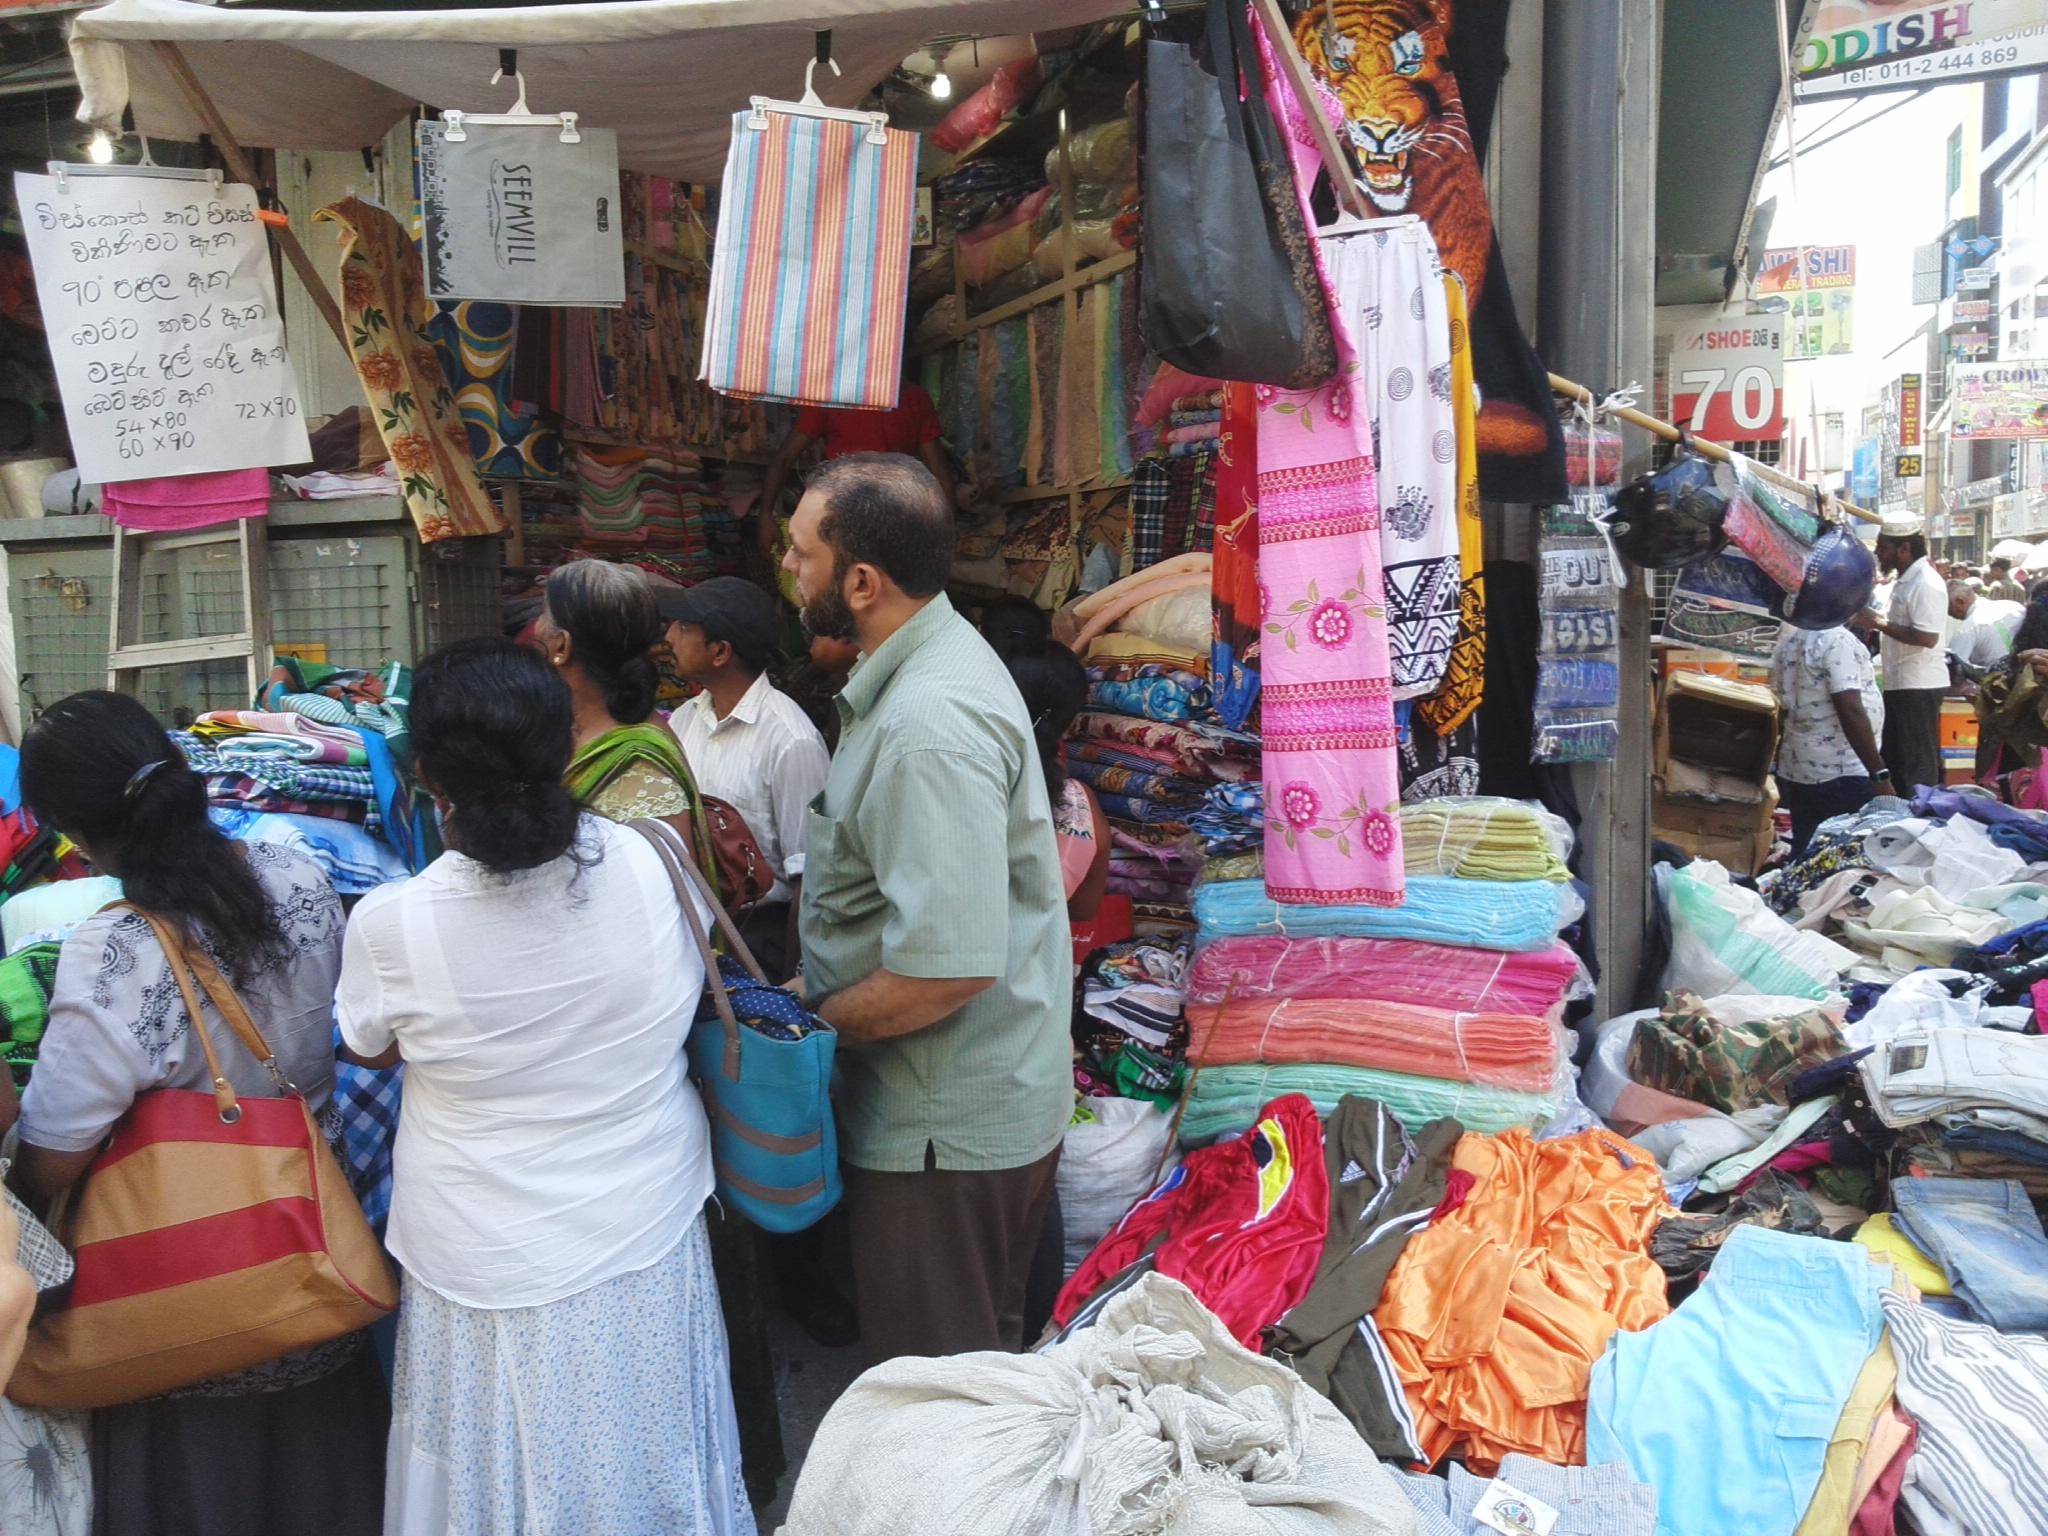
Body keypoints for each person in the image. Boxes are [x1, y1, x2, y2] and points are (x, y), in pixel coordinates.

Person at [335, 639, 755, 1536]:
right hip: (645, 1222)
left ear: (426, 780)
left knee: (497, 1467)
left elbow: (368, 1050)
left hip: (486, 1255)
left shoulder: (392, 925)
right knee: (651, 1451)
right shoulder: (654, 861)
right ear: (567, 745)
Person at [9, 691, 385, 1536]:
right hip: (309, 1255)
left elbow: (58, 1144)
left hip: (183, 1301)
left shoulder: (114, 951)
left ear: (70, 827)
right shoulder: (296, 875)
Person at [783, 453, 1070, 1364]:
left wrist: (814, 1022)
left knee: (940, 1407)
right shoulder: (926, 670)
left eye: (800, 555)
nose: (789, 570)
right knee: (984, 1378)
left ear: (860, 582)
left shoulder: (925, 725)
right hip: (968, 1107)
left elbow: (947, 967)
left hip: (941, 1131)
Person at [659, 576, 830, 984]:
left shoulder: (791, 740)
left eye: (684, 628)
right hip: (693, 926)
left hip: (758, 938)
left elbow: (810, 879)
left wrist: (789, 987)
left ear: (720, 652)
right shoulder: (683, 721)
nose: (668, 636)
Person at [539, 557, 710, 847]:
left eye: (543, 614)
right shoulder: (574, 731)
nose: (536, 627)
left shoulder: (639, 762)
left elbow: (666, 881)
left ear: (561, 646)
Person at [756, 379, 954, 563]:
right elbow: (939, 473)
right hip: (884, 516)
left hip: (853, 515)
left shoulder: (836, 394)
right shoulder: (913, 397)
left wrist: (766, 514)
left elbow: (784, 457)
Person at [1005, 644, 1110, 922]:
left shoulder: (973, 775)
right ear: (1071, 721)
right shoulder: (1080, 808)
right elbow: (1083, 910)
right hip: (1037, 960)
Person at [1768, 625, 1889, 856]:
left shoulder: (1791, 640)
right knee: (1849, 859)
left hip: (1801, 768)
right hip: (1843, 771)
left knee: (1809, 854)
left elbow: (1784, 710)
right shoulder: (1837, 640)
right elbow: (1850, 709)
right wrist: (1880, 775)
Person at [1853, 512, 1949, 795]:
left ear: (1904, 548)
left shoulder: (1926, 582)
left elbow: (1926, 637)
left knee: (1915, 768)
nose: (1879, 554)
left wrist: (1878, 622)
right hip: (1902, 684)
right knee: (1898, 761)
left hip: (1918, 686)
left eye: (1883, 548)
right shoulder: (1907, 580)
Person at [1946, 577, 2025, 675]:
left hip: (1999, 682)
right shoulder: (2014, 607)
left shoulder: (1967, 629)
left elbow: (1955, 667)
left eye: (1948, 607)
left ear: (1960, 601)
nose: (1949, 614)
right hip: (2028, 674)